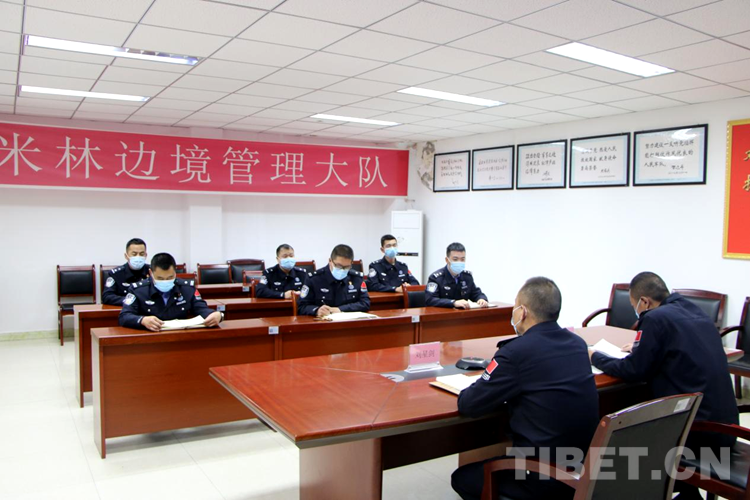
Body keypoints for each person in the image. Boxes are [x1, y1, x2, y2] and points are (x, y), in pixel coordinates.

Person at [590, 272, 739, 500]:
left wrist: (596, 357)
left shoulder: (654, 318)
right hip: (727, 426)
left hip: (699, 433)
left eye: (634, 305)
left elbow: (634, 370)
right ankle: (689, 496)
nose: (636, 310)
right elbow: (678, 346)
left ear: (644, 302)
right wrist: (642, 347)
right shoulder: (693, 310)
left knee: (624, 440)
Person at [452, 277, 599, 500]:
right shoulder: (577, 344)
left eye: (515, 306)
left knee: (462, 478)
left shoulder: (515, 352)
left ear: (522, 312)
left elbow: (469, 404)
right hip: (580, 470)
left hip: (540, 477)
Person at [119, 252, 223, 331]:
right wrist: (142, 320)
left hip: (180, 337)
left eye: (170, 277)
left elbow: (201, 308)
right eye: (160, 278)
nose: (165, 281)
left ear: (175, 272)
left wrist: (216, 315)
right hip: (149, 339)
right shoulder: (138, 290)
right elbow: (124, 316)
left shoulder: (187, 288)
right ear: (151, 273)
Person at [297, 244, 370, 317]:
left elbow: (365, 303)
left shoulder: (356, 278)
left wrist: (340, 309)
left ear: (351, 264)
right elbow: (301, 307)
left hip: (348, 321)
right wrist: (317, 310)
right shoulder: (314, 279)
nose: (342, 270)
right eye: (338, 266)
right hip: (322, 321)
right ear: (330, 261)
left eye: (346, 267)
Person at [426, 242, 489, 308]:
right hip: (442, 313)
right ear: (447, 260)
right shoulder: (436, 278)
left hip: (462, 313)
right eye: (455, 259)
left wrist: (481, 299)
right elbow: (430, 300)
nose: (459, 262)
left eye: (462, 259)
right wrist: (453, 303)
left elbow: (476, 293)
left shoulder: (467, 277)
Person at [102, 238, 150, 305]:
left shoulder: (152, 272)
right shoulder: (116, 274)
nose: (138, 257)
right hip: (124, 309)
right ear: (126, 256)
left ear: (146, 255)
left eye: (141, 254)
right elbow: (107, 297)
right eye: (134, 254)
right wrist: (130, 301)